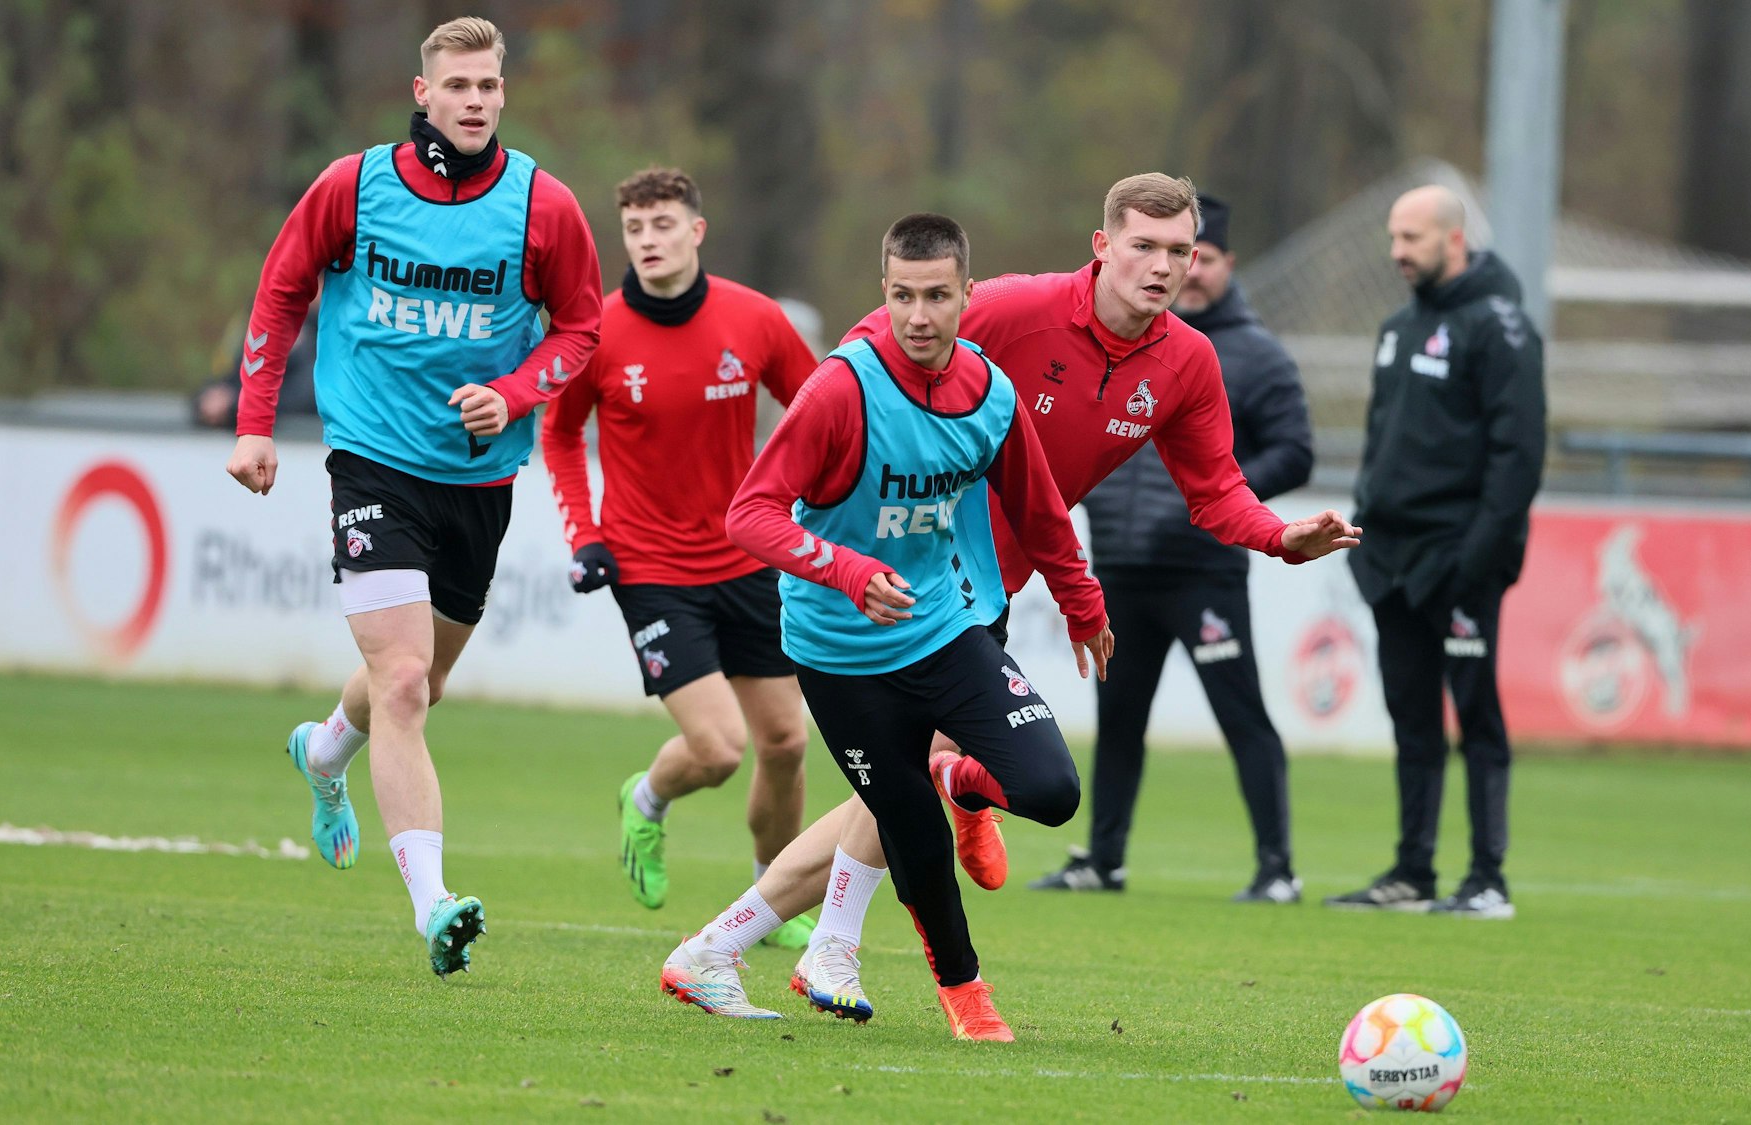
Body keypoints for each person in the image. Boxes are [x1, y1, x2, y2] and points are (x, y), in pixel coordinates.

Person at [663, 174, 1359, 1023]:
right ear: (1102, 247)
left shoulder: (1186, 360)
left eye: (1180, 250)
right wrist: (848, 460)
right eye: (1143, 245)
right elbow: (882, 343)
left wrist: (1280, 539)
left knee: (895, 790)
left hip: (987, 592)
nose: (1163, 265)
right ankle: (812, 943)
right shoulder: (1011, 309)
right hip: (903, 585)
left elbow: (1216, 492)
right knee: (898, 790)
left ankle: (759, 944)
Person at [658, 213, 1112, 1040]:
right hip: (838, 656)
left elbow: (1041, 512)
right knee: (910, 831)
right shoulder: (842, 388)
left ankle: (961, 778)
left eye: (938, 296)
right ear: (885, 293)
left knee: (1052, 789)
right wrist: (849, 570)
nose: (919, 315)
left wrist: (1083, 602)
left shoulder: (989, 391)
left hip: (941, 631)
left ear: (967, 296)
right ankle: (967, 997)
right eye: (903, 295)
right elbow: (750, 514)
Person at [223, 17, 603, 976]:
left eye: (490, 85)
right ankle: (434, 904)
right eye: (458, 85)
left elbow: (583, 330)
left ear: (504, 94)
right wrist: (255, 424)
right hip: (371, 459)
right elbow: (281, 291)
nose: (475, 100)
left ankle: (322, 754)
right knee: (401, 680)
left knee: (418, 681)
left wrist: (513, 395)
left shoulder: (543, 207)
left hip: (478, 477)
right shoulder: (353, 187)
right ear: (423, 93)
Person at [539, 168, 817, 950]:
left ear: (696, 230)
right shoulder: (595, 330)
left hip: (750, 554)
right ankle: (648, 799)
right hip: (650, 566)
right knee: (719, 749)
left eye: (663, 224)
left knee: (788, 744)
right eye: (634, 228)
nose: (648, 240)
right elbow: (558, 436)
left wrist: (814, 500)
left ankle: (772, 901)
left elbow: (821, 406)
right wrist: (585, 537)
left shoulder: (755, 320)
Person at [1031, 193, 1315, 902]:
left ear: (1220, 263)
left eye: (1196, 257)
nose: (1182, 272)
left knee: (1240, 713)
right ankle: (1104, 857)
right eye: (1156, 252)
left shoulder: (1249, 355)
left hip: (1203, 570)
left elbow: (1297, 450)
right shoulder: (1113, 338)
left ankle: (1277, 866)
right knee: (1119, 718)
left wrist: (1220, 500)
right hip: (1124, 565)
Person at [1323, 185, 1545, 920]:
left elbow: (1518, 459)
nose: (1397, 252)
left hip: (1460, 561)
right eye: (1394, 236)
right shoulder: (1397, 327)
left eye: (1411, 238)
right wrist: (1363, 533)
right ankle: (1412, 871)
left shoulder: (1501, 328)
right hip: (1391, 559)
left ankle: (1487, 877)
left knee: (1475, 717)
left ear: (1453, 240)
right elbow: (1383, 439)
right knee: (1411, 718)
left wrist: (1476, 558)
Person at [193, 302, 319, 428]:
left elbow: (298, 401)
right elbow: (230, 379)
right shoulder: (256, 349)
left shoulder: (316, 357)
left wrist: (232, 405)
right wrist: (210, 397)